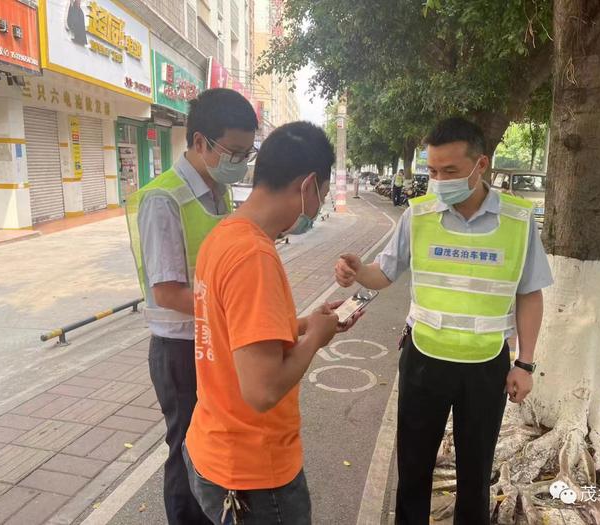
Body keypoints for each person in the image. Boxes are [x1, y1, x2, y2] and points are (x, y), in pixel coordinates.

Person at [335, 117, 553, 525]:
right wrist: (355, 269)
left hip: (486, 365)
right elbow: (383, 273)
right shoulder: (418, 215)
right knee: (414, 469)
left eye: (450, 171)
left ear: (480, 165)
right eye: (432, 171)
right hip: (424, 359)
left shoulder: (518, 221)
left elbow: (529, 292)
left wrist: (525, 362)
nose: (439, 181)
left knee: (475, 474)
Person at [183, 122, 363, 524]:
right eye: (323, 193)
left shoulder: (225, 235)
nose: (319, 207)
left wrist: (302, 325)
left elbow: (238, 330)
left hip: (213, 446)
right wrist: (315, 339)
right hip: (253, 475)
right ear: (308, 185)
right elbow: (262, 391)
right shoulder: (254, 257)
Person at [126, 88, 258, 525]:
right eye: (234, 151)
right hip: (180, 350)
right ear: (200, 142)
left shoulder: (218, 191)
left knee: (213, 444)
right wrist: (235, 315)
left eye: (246, 152)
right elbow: (166, 293)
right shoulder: (164, 199)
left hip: (210, 341)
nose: (239, 161)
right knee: (186, 447)